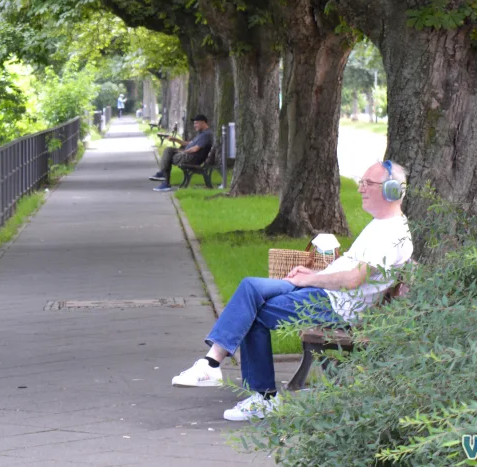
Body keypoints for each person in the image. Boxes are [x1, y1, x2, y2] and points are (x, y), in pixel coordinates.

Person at [170, 160, 413, 421]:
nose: (361, 188)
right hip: (326, 292)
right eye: (361, 182)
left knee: (253, 312)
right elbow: (349, 271)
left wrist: (311, 281)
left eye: (368, 183)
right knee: (250, 288)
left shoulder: (390, 235)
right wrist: (315, 274)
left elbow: (354, 280)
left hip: (337, 306)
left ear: (391, 190)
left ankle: (253, 391)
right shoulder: (381, 224)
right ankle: (213, 365)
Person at [148, 114, 214, 192]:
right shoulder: (201, 134)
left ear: (203, 122)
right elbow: (189, 144)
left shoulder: (206, 134)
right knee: (168, 150)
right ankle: (163, 177)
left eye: (196, 123)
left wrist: (183, 151)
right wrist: (175, 140)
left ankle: (165, 180)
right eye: (194, 123)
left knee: (167, 158)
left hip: (192, 158)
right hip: (189, 156)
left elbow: (195, 149)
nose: (194, 125)